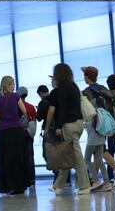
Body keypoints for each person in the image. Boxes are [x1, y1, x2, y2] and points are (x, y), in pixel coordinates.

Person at [45, 63, 91, 195]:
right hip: (79, 123)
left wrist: (58, 126)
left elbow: (62, 109)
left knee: (76, 156)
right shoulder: (74, 86)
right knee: (67, 153)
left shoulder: (61, 90)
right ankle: (58, 185)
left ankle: (85, 185)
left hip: (68, 125)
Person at [0, 77, 29, 195]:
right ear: (7, 85)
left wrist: (1, 122)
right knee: (18, 157)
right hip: (17, 130)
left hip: (4, 131)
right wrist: (22, 119)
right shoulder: (15, 96)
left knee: (6, 159)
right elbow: (24, 111)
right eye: (12, 84)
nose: (14, 86)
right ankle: (20, 185)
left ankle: (7, 185)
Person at [17, 86, 37, 186]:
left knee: (20, 157)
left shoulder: (16, 106)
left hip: (19, 135)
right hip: (29, 134)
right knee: (30, 157)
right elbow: (34, 119)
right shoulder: (31, 106)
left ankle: (23, 178)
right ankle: (31, 179)